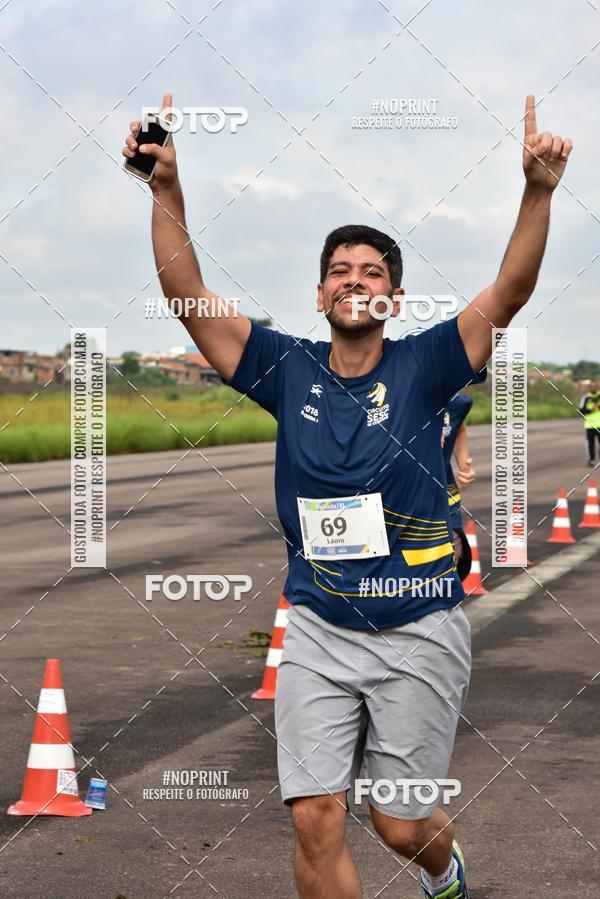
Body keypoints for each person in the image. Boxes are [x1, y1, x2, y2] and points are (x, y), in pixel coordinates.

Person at [123, 93, 572, 899]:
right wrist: (167, 192)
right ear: (320, 294)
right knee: (316, 816)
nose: (355, 280)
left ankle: (445, 869)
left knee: (401, 826)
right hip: (320, 629)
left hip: (417, 626)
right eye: (341, 270)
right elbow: (185, 291)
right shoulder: (282, 365)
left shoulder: (428, 364)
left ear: (393, 300)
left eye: (373, 273)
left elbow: (509, 289)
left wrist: (537, 192)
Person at [441, 396, 476, 581]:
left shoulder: (455, 402)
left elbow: (458, 429)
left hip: (446, 502)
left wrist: (464, 465)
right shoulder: (388, 396)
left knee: (448, 573)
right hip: (398, 506)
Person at [578, 379, 600, 466]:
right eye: (592, 386)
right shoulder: (586, 398)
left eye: (595, 386)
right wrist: (591, 410)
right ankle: (591, 460)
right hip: (590, 425)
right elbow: (580, 411)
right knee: (590, 444)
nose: (594, 387)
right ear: (589, 388)